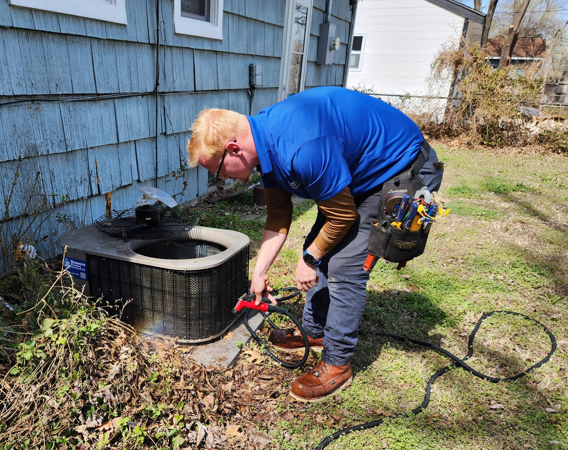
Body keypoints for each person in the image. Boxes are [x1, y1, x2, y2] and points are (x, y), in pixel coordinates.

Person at [186, 86, 443, 403]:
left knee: (344, 266)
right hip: (358, 173)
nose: (222, 180)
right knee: (319, 247)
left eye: (218, 171)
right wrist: (260, 271)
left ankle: (337, 363)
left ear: (234, 149)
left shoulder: (301, 148)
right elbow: (279, 213)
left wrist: (309, 259)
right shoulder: (266, 142)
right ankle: (315, 331)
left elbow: (342, 215)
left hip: (400, 169)